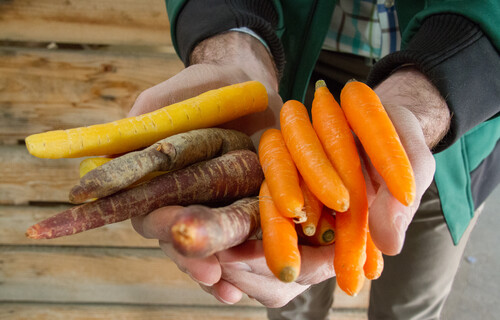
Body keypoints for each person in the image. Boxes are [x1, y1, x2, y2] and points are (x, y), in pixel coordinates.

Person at [128, 1, 500, 319]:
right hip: (293, 62)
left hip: (459, 111)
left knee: (410, 304)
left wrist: (455, 69)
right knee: (291, 298)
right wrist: (231, 38)